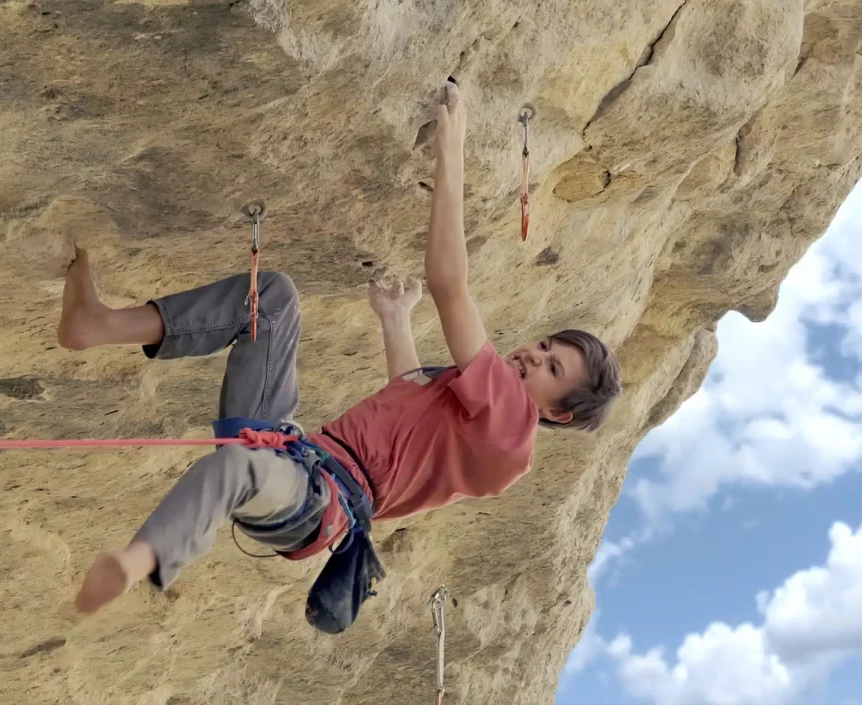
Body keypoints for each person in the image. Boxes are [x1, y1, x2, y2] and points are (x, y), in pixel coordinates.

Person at [61, 81, 622, 619]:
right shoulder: (480, 413)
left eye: (552, 368)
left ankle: (138, 563)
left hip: (313, 500)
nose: (532, 356)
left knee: (234, 468)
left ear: (554, 411)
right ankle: (97, 324)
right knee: (272, 298)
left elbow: (451, 287)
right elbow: (406, 397)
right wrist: (395, 320)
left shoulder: (511, 421)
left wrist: (452, 150)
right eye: (545, 345)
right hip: (293, 455)